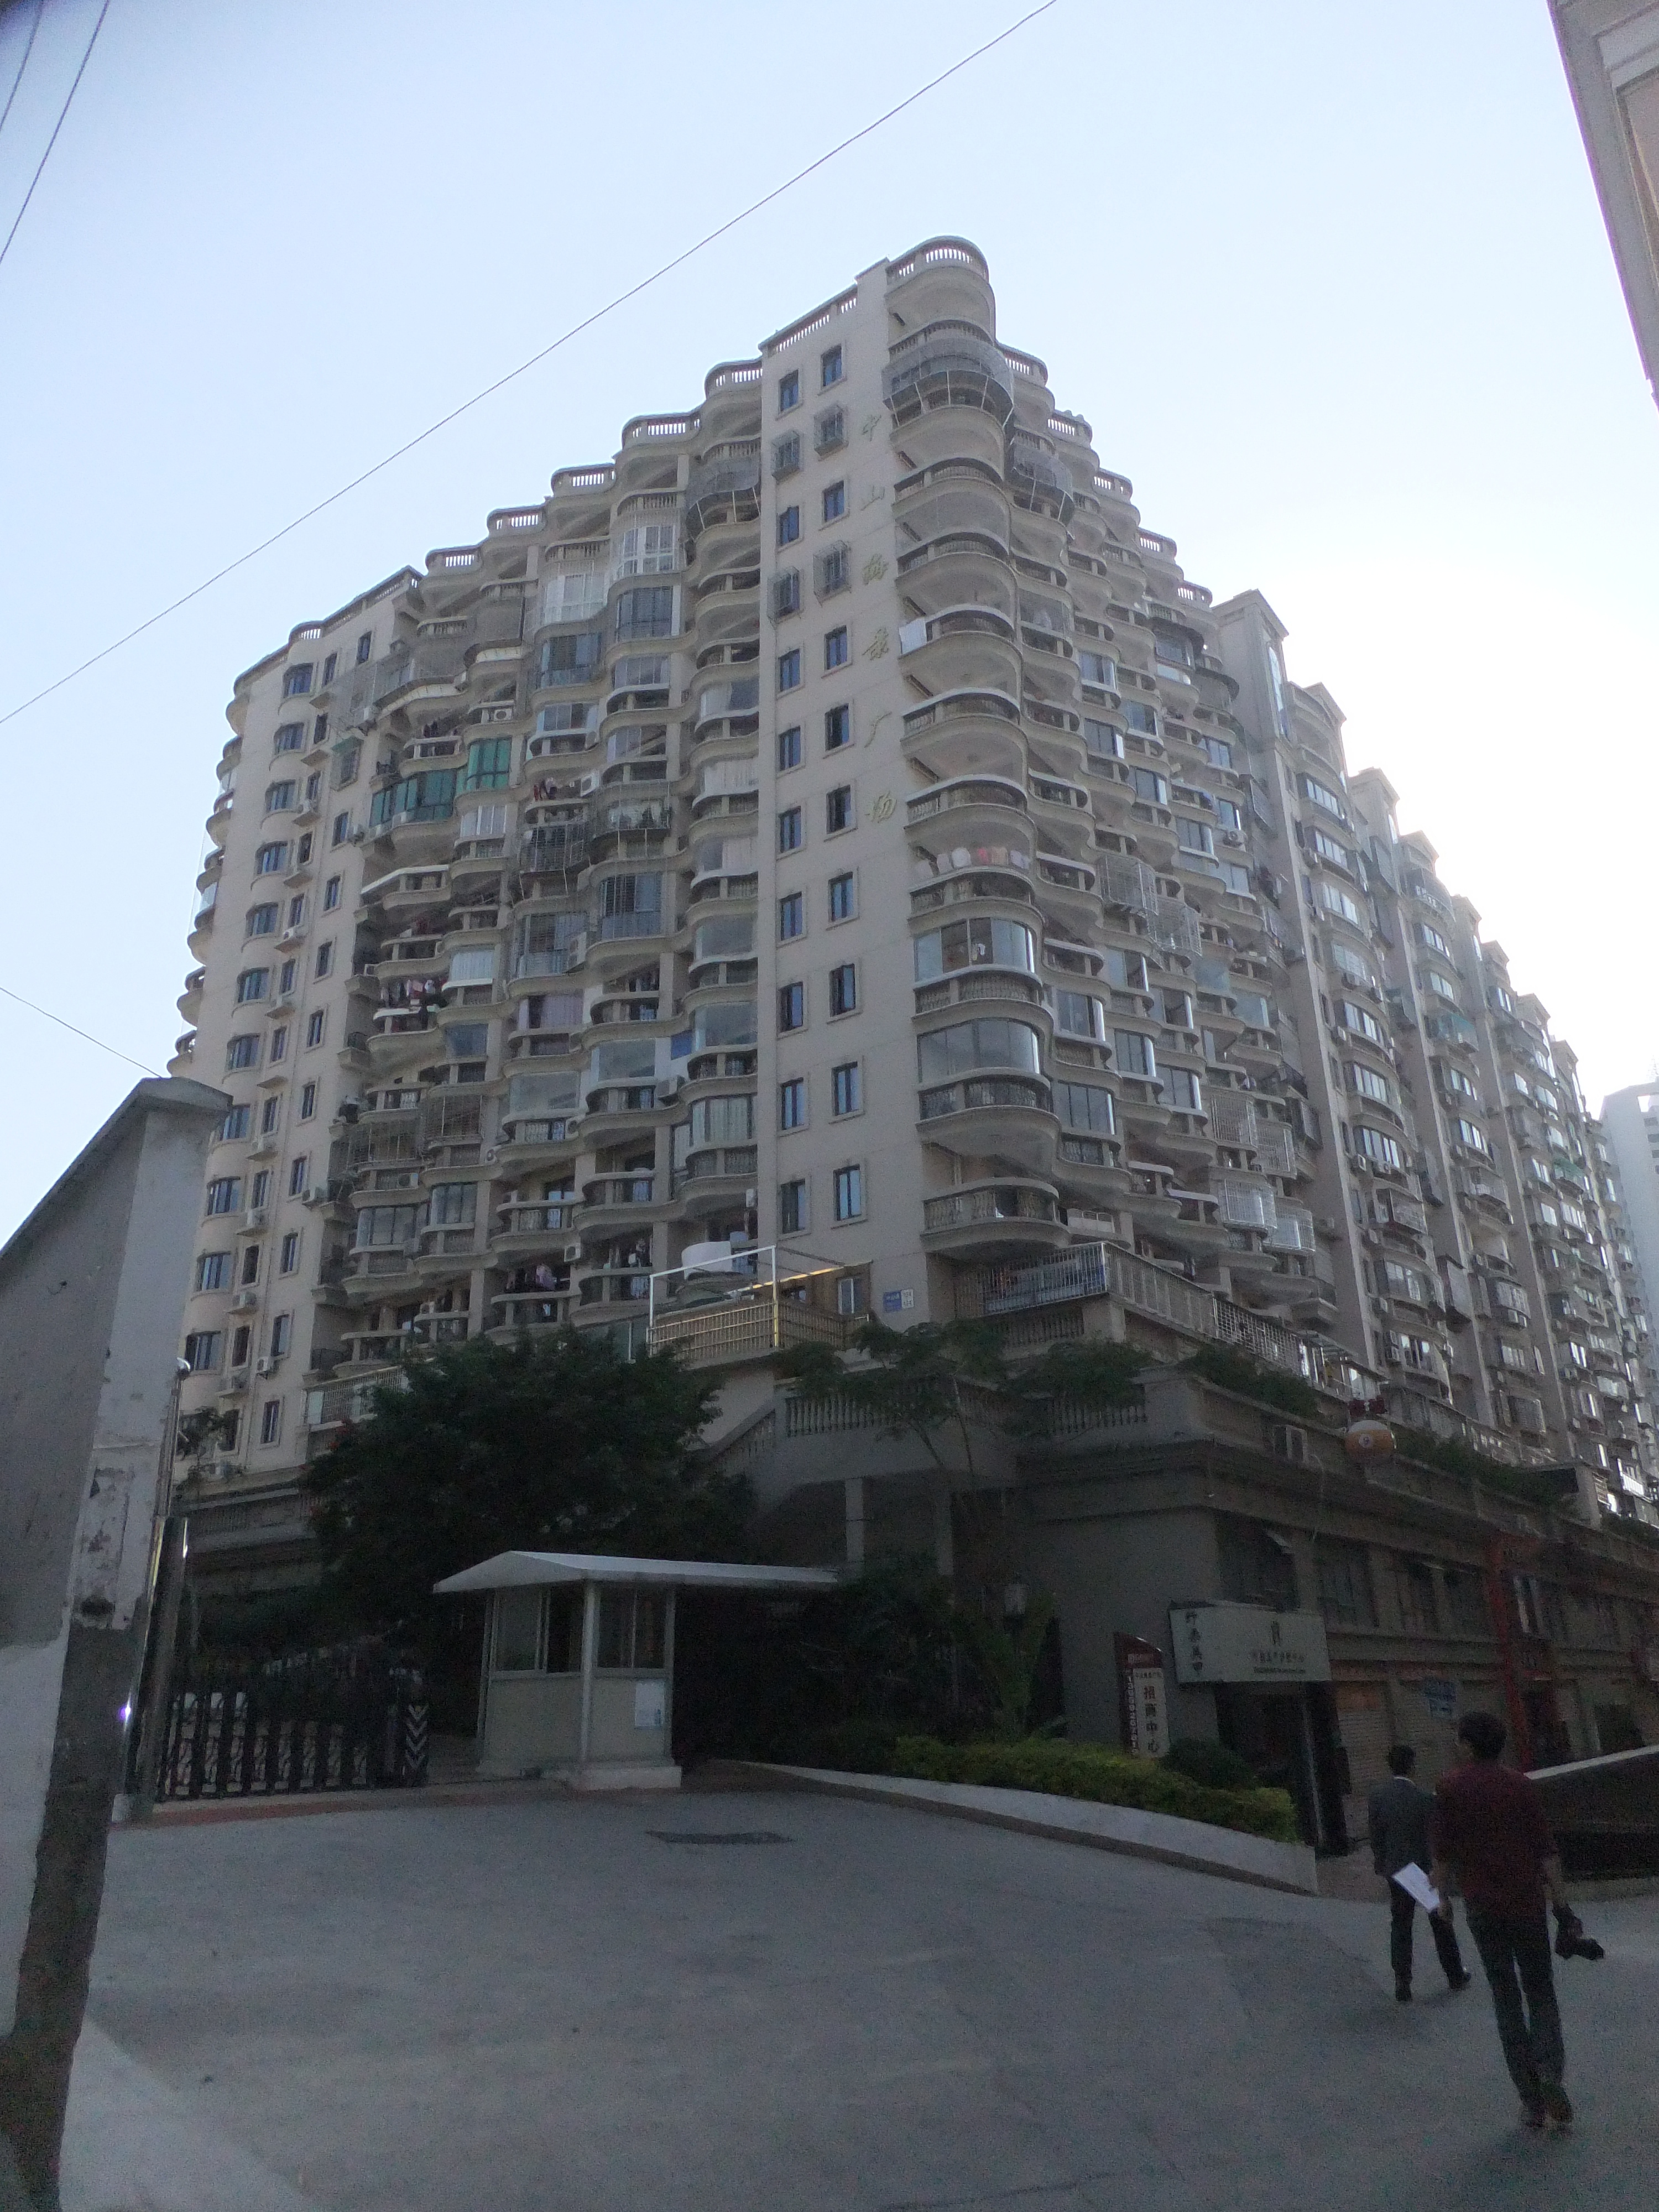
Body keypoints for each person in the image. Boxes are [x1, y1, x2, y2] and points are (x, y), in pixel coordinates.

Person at [1430, 1710, 1573, 2134]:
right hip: (1527, 1903)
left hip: (1483, 1907)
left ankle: (1530, 2100)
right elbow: (1546, 1850)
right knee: (1540, 1990)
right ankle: (1550, 2072)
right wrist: (1561, 1905)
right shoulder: (1520, 1786)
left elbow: (1443, 1855)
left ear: (1469, 1744)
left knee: (1505, 1996)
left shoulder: (1449, 1788)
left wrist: (1441, 1900)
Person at [1368, 1743, 1470, 2002]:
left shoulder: (1378, 1797)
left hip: (1396, 1869)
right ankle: (1454, 1974)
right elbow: (1436, 1839)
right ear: (1412, 1766)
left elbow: (1376, 1835)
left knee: (1401, 1924)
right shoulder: (1425, 1799)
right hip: (1424, 1871)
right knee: (1440, 1922)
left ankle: (1402, 1982)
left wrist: (1382, 1861)